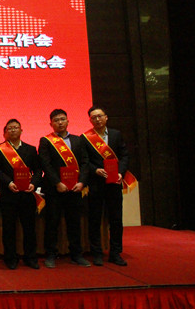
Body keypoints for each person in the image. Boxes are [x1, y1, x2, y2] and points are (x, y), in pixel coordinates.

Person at [38, 109, 90, 268]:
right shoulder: (46, 141)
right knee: (52, 223)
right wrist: (57, 183)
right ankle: (50, 255)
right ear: (51, 124)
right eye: (56, 120)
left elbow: (85, 163)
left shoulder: (78, 140)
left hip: (75, 189)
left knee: (74, 223)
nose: (60, 122)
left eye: (62, 119)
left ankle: (76, 254)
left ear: (68, 121)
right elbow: (45, 164)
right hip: (54, 190)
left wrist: (82, 182)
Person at [82, 106, 130, 266]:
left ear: (106, 117)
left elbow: (124, 156)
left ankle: (115, 253)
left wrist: (121, 172)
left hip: (114, 183)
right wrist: (95, 170)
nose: (97, 119)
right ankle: (96, 253)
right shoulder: (86, 138)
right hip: (95, 184)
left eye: (100, 116)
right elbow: (84, 161)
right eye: (93, 117)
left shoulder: (116, 135)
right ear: (90, 120)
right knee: (95, 219)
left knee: (116, 219)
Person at [0, 119, 42, 270]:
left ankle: (30, 257)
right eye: (10, 128)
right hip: (8, 194)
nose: (13, 130)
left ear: (21, 130)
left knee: (29, 228)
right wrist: (8, 182)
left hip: (27, 194)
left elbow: (38, 170)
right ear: (5, 132)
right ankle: (10, 258)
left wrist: (34, 184)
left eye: (16, 127)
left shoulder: (30, 149)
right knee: (9, 228)